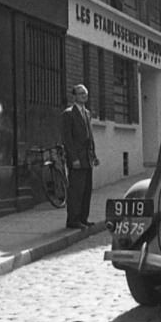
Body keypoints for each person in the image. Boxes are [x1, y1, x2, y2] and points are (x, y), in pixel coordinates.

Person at [60, 83, 99, 230]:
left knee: (86, 189)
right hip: (77, 158)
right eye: (81, 94)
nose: (84, 96)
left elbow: (90, 136)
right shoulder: (68, 114)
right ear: (74, 96)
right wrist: (73, 158)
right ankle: (73, 219)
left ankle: (83, 218)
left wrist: (94, 155)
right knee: (76, 190)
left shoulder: (87, 113)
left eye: (86, 94)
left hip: (87, 158)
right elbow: (67, 139)